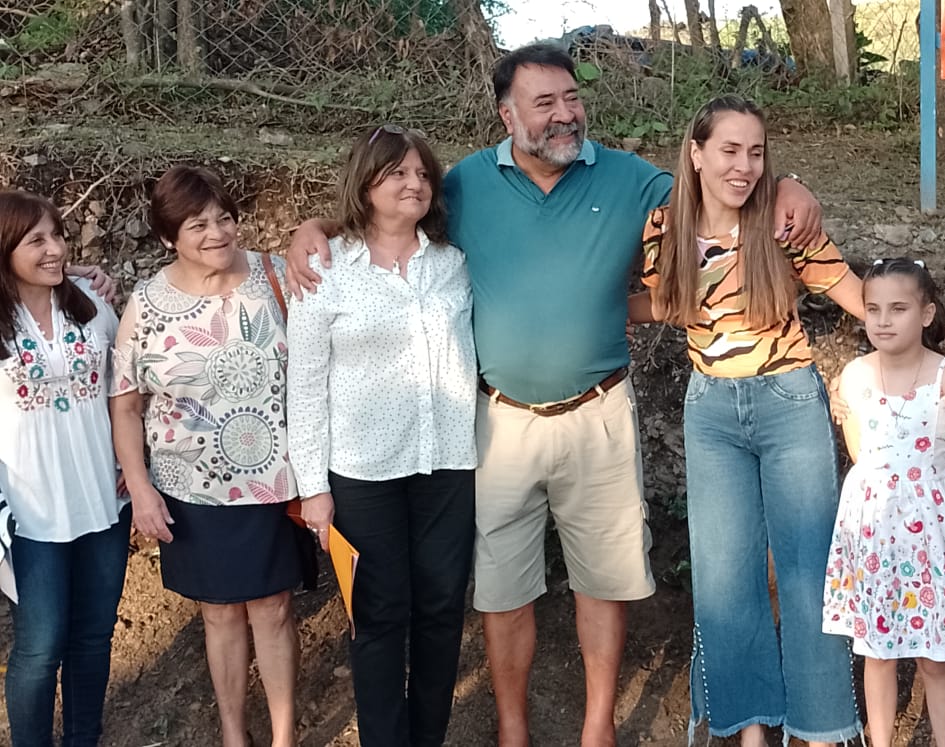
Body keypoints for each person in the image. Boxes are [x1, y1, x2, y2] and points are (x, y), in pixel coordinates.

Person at [286, 44, 827, 747]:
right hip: (499, 425)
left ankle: (598, 727)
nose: (564, 114)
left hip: (599, 414)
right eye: (544, 103)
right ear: (506, 115)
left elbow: (720, 190)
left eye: (571, 98)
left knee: (604, 579)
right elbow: (389, 216)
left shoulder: (630, 179)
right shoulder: (465, 185)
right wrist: (316, 229)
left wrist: (789, 185)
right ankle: (512, 729)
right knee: (502, 588)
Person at [636, 94, 864, 746]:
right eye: (730, 151)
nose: (744, 166)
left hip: (788, 401)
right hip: (710, 412)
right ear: (696, 153)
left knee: (807, 569)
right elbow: (665, 304)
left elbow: (854, 292)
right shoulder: (662, 227)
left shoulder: (782, 222)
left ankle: (820, 728)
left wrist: (935, 332)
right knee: (724, 576)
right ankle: (749, 729)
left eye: (756, 153)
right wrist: (587, 316)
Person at [286, 125, 477, 746]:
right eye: (397, 172)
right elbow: (304, 386)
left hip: (447, 465)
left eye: (422, 174)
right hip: (363, 474)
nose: (413, 183)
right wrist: (313, 490)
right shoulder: (325, 270)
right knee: (377, 616)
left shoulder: (453, 263)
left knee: (442, 611)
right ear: (365, 182)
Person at [109, 166, 302, 747]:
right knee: (218, 611)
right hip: (190, 484)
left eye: (224, 218)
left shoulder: (277, 276)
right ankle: (233, 733)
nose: (217, 233)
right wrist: (140, 487)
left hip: (276, 478)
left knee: (273, 607)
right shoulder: (147, 304)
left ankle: (284, 736)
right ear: (168, 236)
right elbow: (125, 405)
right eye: (197, 225)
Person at [824, 258, 945, 747]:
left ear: (927, 314)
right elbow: (861, 457)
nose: (883, 321)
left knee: (937, 659)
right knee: (877, 653)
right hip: (873, 536)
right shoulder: (853, 377)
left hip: (934, 539)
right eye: (873, 309)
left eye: (898, 309)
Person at [0, 190, 131, 747]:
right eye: (37, 240)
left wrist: (134, 463)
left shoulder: (93, 306)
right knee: (40, 646)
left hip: (104, 499)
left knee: (93, 636)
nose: (55, 249)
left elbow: (127, 391)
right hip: (29, 514)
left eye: (57, 235)